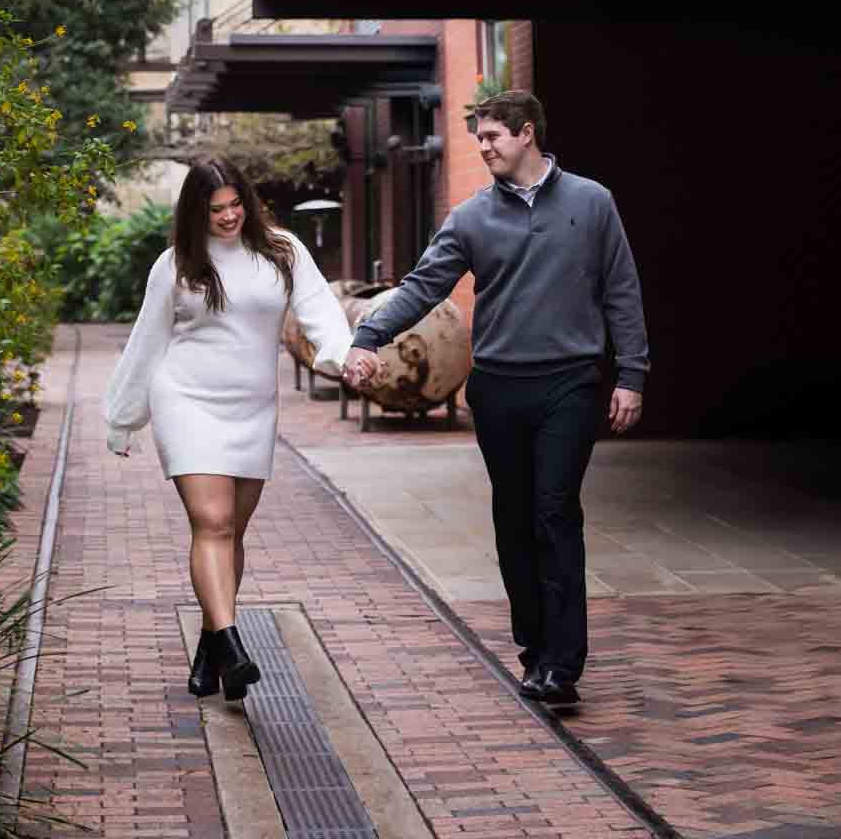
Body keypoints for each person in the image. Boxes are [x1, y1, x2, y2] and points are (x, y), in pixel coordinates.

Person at [341, 91, 648, 713]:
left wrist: (632, 373)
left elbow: (621, 289)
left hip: (571, 381)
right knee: (514, 518)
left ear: (526, 133)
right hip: (499, 387)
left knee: (554, 511)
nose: (482, 149)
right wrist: (368, 334)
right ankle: (534, 652)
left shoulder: (592, 204)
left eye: (491, 138)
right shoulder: (471, 218)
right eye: (478, 139)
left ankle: (564, 665)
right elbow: (424, 287)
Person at [105, 159, 353, 700]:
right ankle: (235, 649)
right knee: (212, 522)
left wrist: (345, 356)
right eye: (216, 209)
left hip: (252, 408)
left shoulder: (281, 252)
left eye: (236, 204)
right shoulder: (175, 265)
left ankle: (211, 642)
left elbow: (319, 313)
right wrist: (124, 419)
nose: (229, 216)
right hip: (187, 400)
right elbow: (147, 342)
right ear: (196, 211)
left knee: (230, 533)